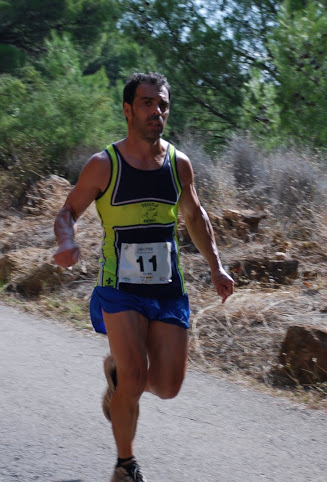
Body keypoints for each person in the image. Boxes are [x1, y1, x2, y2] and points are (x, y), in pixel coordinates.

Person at [53, 72, 234, 482]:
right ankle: (125, 464)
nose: (157, 111)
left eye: (163, 104)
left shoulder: (178, 163)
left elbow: (194, 215)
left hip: (169, 288)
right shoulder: (104, 165)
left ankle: (117, 379)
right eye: (148, 102)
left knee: (167, 386)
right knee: (135, 378)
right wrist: (66, 242)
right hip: (121, 288)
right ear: (128, 109)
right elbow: (67, 212)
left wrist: (216, 265)